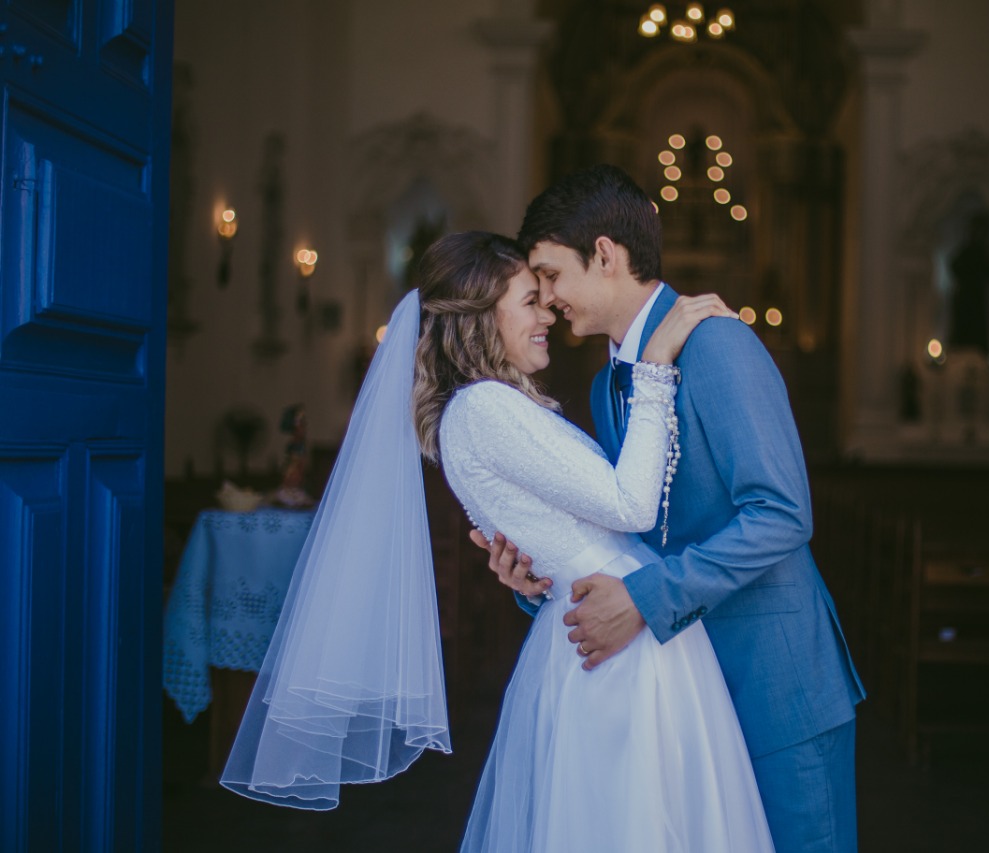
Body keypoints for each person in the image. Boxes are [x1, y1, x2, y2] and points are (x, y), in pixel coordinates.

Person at [221, 230, 774, 853]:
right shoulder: (484, 408)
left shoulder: (487, 408)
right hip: (615, 643)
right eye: (530, 301)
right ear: (482, 315)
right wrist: (656, 365)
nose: (548, 316)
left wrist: (530, 580)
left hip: (606, 625)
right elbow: (632, 504)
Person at [477, 164, 867, 852]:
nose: (544, 298)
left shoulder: (717, 343)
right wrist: (542, 585)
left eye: (550, 274)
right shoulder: (606, 388)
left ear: (605, 254)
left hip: (776, 687)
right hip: (684, 697)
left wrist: (645, 597)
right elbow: (626, 536)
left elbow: (782, 512)